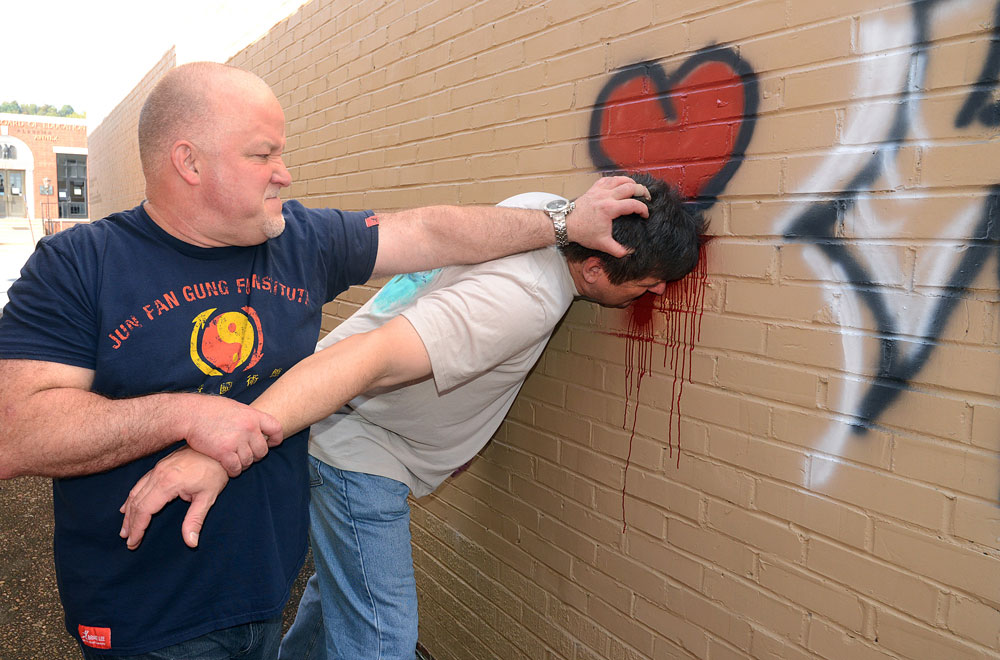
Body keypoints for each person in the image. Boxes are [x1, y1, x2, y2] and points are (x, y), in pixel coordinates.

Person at [0, 61, 651, 659]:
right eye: (263, 154)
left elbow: (429, 232)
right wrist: (185, 415)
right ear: (189, 161)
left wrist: (564, 224)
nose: (283, 172)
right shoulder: (79, 265)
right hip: (148, 613)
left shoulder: (299, 241)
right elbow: (17, 432)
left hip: (261, 592)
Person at [117, 173, 706, 660]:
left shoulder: (550, 214)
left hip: (360, 433)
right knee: (381, 641)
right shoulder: (521, 301)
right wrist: (226, 445)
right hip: (361, 450)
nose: (651, 297)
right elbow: (367, 360)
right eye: (648, 285)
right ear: (598, 270)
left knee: (341, 598)